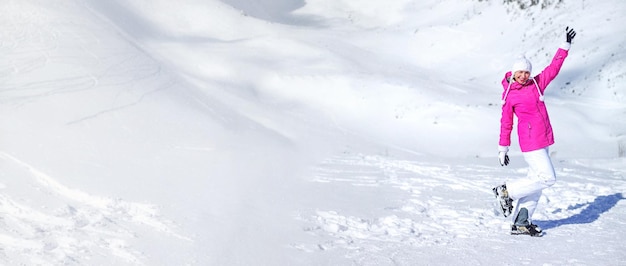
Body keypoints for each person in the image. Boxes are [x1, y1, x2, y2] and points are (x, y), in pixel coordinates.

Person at [493, 27, 577, 237]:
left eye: (526, 72)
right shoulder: (510, 94)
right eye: (520, 72)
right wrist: (503, 148)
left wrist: (564, 47)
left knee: (535, 183)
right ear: (513, 73)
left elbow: (554, 68)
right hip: (531, 143)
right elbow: (506, 123)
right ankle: (507, 192)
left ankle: (522, 221)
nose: (523, 76)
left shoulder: (537, 84)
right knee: (548, 178)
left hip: (544, 139)